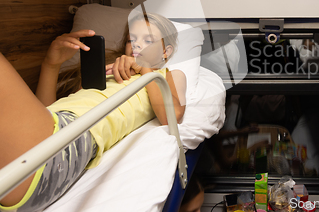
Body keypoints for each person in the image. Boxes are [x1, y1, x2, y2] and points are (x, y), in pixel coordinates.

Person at [0, 12, 186, 211]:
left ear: (166, 51)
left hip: (65, 146)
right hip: (52, 131)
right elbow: (46, 114)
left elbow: (172, 116)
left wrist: (146, 70)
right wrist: (51, 64)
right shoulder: (106, 71)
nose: (137, 45)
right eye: (132, 40)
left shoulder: (167, 76)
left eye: (148, 40)